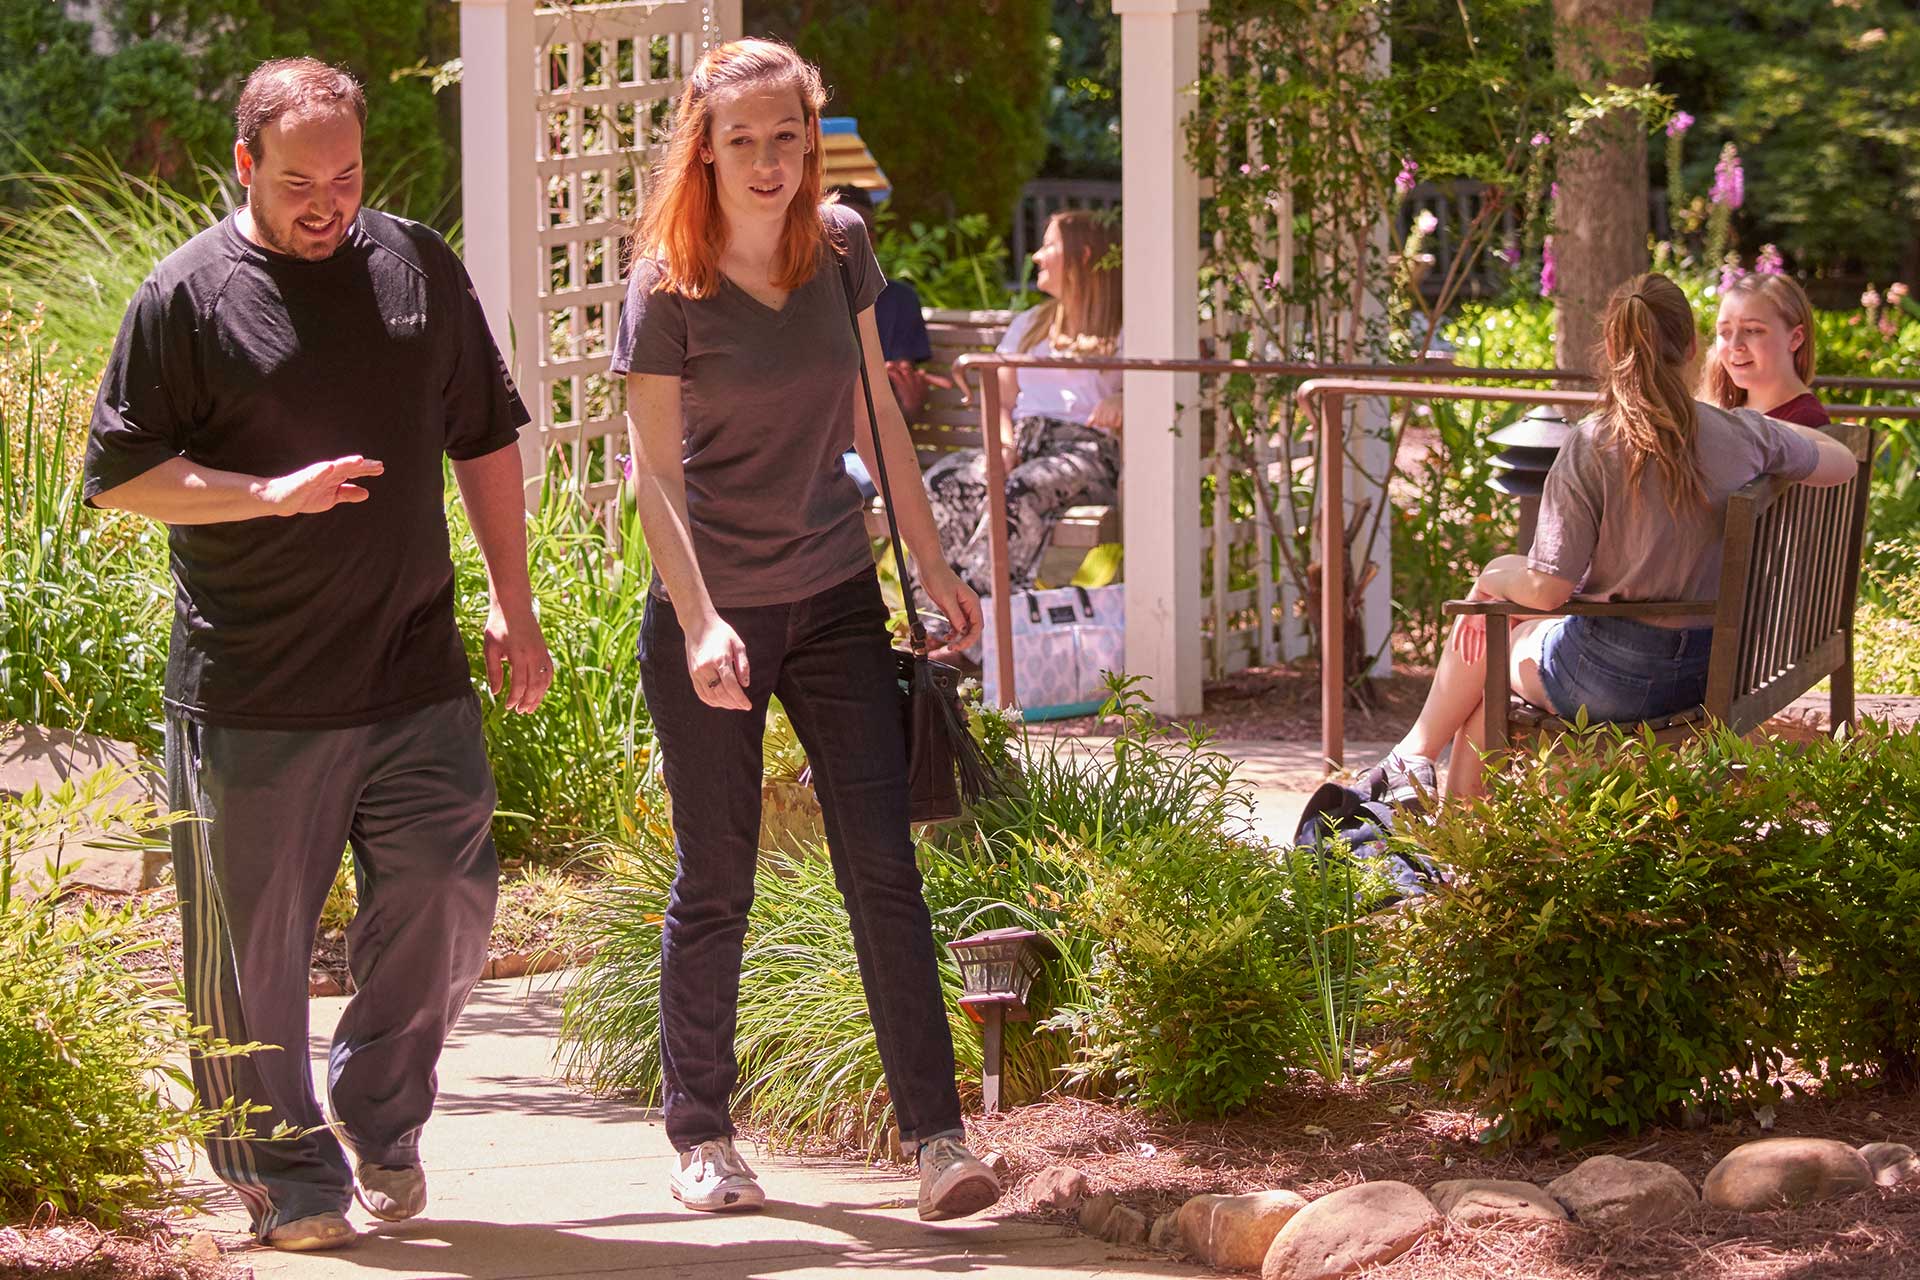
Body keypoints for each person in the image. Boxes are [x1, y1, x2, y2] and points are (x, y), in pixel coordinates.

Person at [83, 59, 549, 1252]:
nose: (327, 201)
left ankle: (381, 1115)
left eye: (345, 175)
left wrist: (513, 596)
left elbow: (484, 435)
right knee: (251, 955)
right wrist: (266, 494)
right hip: (256, 687)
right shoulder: (186, 297)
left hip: (412, 665)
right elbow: (126, 478)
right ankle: (285, 1175)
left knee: (451, 893)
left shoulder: (413, 267)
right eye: (298, 180)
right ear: (244, 163)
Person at [610, 38, 1001, 1222]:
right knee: (717, 874)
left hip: (836, 594)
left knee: (883, 866)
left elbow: (877, 407)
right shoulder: (666, 285)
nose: (771, 161)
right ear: (706, 147)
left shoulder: (839, 246)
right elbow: (653, 479)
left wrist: (934, 565)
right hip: (712, 611)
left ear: (809, 135)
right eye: (745, 141)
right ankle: (702, 1133)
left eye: (789, 136)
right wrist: (700, 622)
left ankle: (937, 1138)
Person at [1374, 273, 1857, 801]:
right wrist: (1773, 435)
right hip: (1715, 667)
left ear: (1611, 347)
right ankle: (1419, 770)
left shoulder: (1592, 442)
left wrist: (1490, 576)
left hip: (1611, 679)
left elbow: (1548, 590)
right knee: (1491, 659)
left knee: (1491, 643)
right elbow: (1840, 460)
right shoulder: (1743, 433)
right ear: (1695, 346)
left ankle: (1419, 770)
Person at [922, 209, 1122, 601]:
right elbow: (1000, 400)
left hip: (1085, 454)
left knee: (1018, 491)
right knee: (946, 482)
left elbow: (1163, 391)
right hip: (1025, 448)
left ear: (1083, 256)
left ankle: (977, 621)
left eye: (1049, 245)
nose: (1036, 256)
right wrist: (1002, 445)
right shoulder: (1031, 323)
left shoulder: (1123, 327)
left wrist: (1125, 399)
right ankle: (932, 614)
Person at [1703, 272, 1830, 428]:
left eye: (1752, 330)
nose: (1735, 345)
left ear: (1796, 338)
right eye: (1724, 332)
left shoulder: (1805, 422)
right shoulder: (1722, 409)